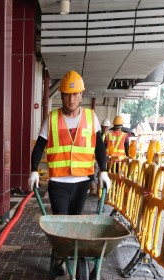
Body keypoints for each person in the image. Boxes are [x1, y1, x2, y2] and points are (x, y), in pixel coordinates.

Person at [28, 71, 110, 215]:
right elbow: (39, 147)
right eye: (67, 94)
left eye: (75, 94)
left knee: (74, 220)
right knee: (61, 220)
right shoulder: (52, 119)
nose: (71, 99)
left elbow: (99, 146)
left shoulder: (91, 117)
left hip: (82, 182)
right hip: (58, 182)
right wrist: (34, 170)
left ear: (81, 94)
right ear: (61, 95)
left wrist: (103, 171)